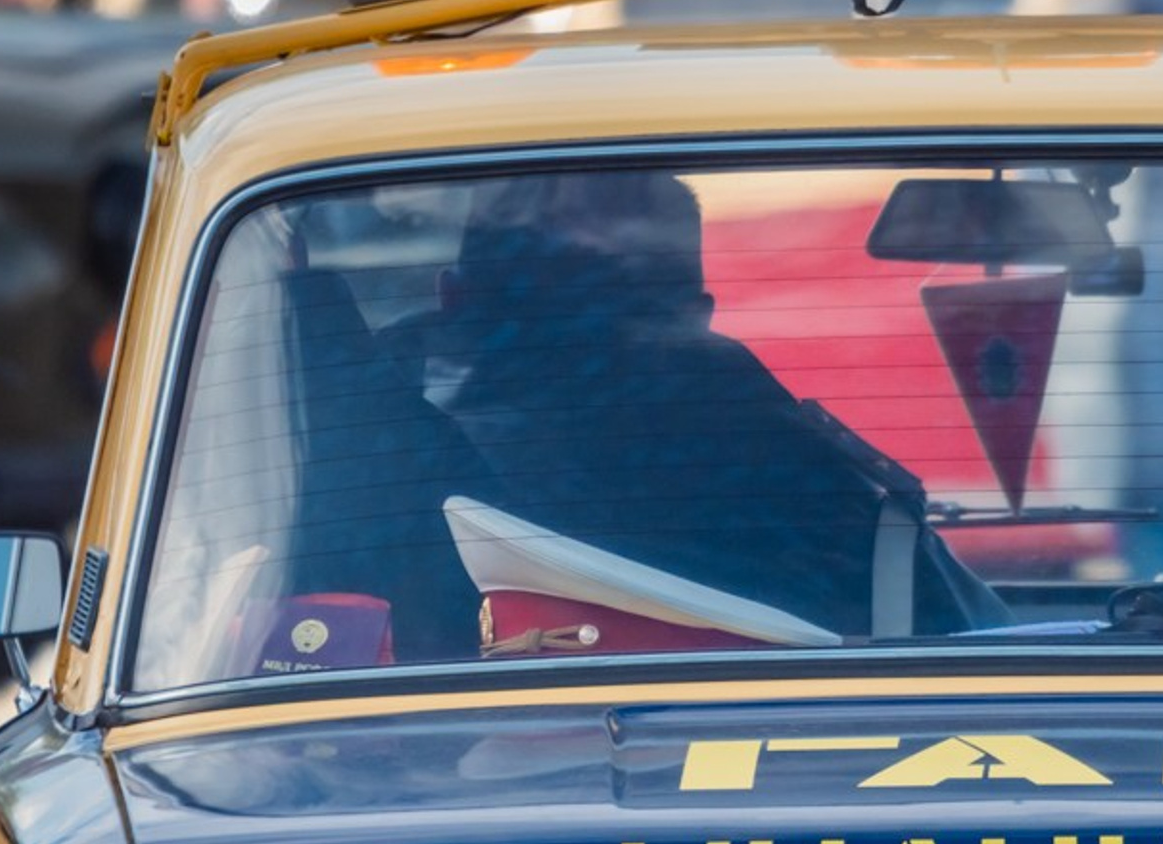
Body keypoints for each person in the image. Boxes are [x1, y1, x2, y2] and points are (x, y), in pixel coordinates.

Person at [428, 167, 1001, 640]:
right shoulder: (799, 472)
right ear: (700, 317)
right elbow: (954, 637)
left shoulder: (403, 465)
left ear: (452, 302)